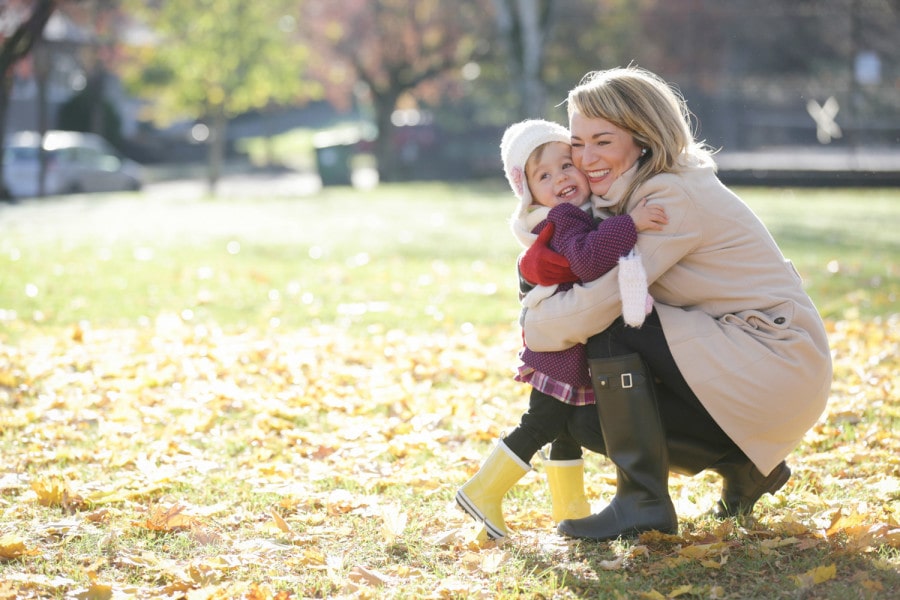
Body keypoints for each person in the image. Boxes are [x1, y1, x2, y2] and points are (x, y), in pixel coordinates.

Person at [518, 66, 833, 541]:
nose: (584, 159)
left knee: (612, 324)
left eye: (602, 141)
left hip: (776, 359)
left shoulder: (668, 197)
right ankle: (744, 464)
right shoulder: (628, 196)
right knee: (585, 418)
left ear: (643, 138)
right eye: (577, 143)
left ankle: (642, 503)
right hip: (741, 354)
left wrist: (534, 326)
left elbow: (598, 307)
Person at [456, 119, 667, 540]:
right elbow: (589, 260)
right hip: (561, 350)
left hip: (566, 346)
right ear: (529, 191)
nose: (561, 180)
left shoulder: (575, 213)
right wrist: (632, 223)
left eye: (566, 166)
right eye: (544, 176)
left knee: (567, 426)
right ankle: (483, 491)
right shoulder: (567, 217)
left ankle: (569, 507)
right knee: (542, 423)